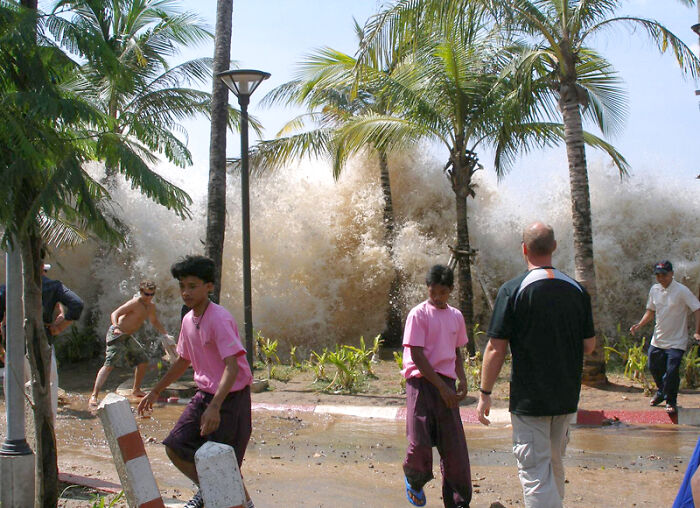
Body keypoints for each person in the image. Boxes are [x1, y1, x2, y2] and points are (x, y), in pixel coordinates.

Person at [477, 222, 595, 508]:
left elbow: (495, 348)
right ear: (554, 247)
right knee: (554, 464)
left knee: (534, 470)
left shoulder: (513, 290)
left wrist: (485, 393)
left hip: (530, 399)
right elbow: (589, 346)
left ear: (524, 249)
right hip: (566, 397)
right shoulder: (577, 290)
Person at [137, 255, 255, 508]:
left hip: (230, 398)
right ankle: (208, 490)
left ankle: (242, 503)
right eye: (182, 286)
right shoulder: (189, 320)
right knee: (176, 446)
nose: (185, 292)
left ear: (208, 286)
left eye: (192, 286)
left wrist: (215, 407)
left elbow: (232, 368)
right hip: (204, 395)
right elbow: (183, 360)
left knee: (224, 463)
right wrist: (155, 391)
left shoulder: (219, 318)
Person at [401, 264, 471, 508]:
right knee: (419, 440)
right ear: (428, 289)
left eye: (442, 292)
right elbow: (418, 356)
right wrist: (442, 388)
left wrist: (461, 378)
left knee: (454, 447)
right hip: (421, 382)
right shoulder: (418, 315)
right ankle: (415, 479)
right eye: (433, 292)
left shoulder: (456, 316)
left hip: (447, 382)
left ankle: (458, 500)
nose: (437, 297)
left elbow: (456, 351)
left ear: (450, 290)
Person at [0, 258, 84, 419]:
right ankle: (46, 433)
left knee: (15, 394)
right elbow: (77, 304)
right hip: (41, 344)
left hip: (14, 345)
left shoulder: (7, 288)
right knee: (47, 390)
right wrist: (60, 326)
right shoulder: (53, 286)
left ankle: (17, 435)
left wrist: (1, 350)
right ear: (40, 267)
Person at [629, 260, 700, 415]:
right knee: (653, 366)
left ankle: (671, 401)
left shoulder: (682, 291)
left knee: (672, 371)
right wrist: (639, 325)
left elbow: (697, 308)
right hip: (658, 339)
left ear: (672, 274)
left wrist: (697, 331)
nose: (661, 278)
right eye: (658, 275)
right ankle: (662, 391)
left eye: (664, 275)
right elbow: (650, 311)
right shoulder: (655, 289)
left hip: (677, 341)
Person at [89, 280, 171, 406]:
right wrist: (116, 327)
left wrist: (165, 334)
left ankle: (136, 390)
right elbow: (115, 313)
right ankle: (94, 396)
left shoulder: (151, 306)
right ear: (141, 292)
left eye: (151, 294)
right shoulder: (135, 303)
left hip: (128, 336)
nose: (149, 297)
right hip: (117, 334)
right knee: (109, 365)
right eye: (146, 294)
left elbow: (154, 321)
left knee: (143, 361)